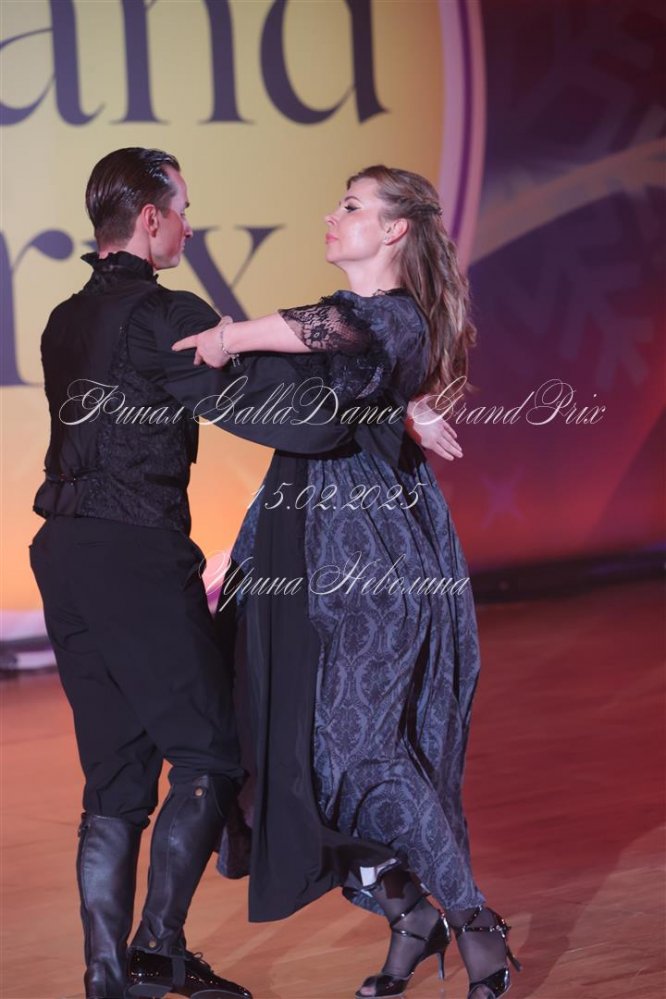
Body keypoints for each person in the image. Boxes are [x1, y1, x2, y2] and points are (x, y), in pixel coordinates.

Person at [29, 148, 459, 999]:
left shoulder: (61, 320)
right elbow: (276, 409)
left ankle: (108, 977)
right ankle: (157, 950)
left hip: (63, 556)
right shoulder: (165, 313)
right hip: (133, 554)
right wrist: (383, 407)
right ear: (149, 219)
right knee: (210, 755)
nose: (189, 226)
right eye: (183, 209)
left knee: (114, 780)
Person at [173, 166, 522, 999]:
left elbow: (332, 327)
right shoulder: (356, 337)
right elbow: (312, 415)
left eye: (353, 206)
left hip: (375, 559)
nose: (333, 216)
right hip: (303, 550)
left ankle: (475, 922)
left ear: (396, 229)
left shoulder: (393, 315)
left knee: (362, 752)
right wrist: (243, 548)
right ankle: (410, 914)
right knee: (302, 762)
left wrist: (229, 335)